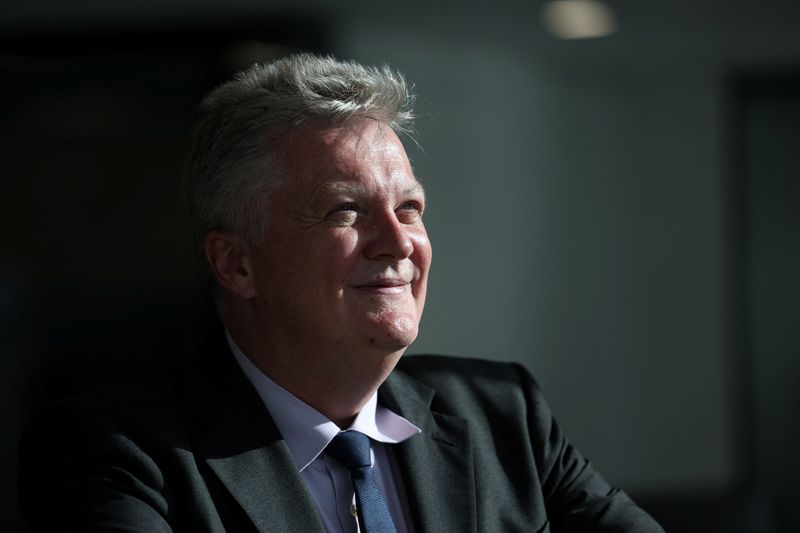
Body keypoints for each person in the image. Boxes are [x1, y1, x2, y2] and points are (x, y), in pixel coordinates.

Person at [18, 54, 664, 532]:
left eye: (409, 208)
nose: (398, 242)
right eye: (346, 212)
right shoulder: (119, 451)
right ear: (237, 263)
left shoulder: (502, 417)